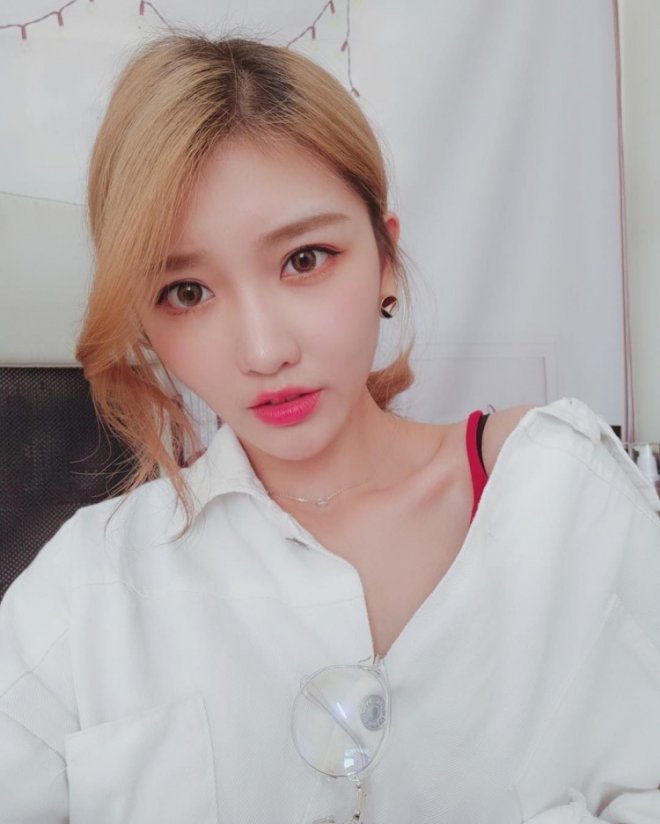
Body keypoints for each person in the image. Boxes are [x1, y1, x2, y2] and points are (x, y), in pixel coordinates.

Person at [1, 34, 659, 824]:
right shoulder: (86, 590)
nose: (264, 350)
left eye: (305, 259)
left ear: (386, 256)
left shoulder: (556, 495)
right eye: (186, 292)